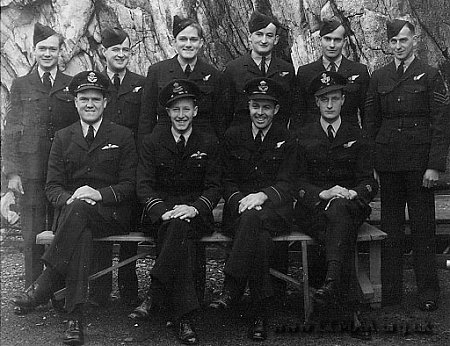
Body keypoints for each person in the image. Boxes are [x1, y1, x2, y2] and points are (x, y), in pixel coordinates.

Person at [10, 70, 138, 345]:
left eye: (95, 98)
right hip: (74, 215)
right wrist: (70, 200)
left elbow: (130, 185)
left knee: (80, 214)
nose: (89, 104)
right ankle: (74, 319)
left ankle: (45, 284)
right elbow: (52, 186)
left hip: (111, 214)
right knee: (81, 229)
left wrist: (98, 194)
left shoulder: (123, 135)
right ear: (75, 102)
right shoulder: (63, 136)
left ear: (105, 102)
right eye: (83, 99)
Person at [365, 19, 450, 311]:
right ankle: (391, 292)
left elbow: (441, 122)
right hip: (388, 163)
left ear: (414, 40)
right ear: (388, 44)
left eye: (404, 40)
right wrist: (373, 163)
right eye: (394, 42)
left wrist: (435, 165)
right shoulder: (379, 77)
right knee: (390, 228)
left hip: (419, 163)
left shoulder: (430, 74)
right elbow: (372, 123)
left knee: (423, 227)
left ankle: (428, 293)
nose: (399, 46)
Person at [133, 79, 222, 344]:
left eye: (186, 109)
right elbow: (143, 185)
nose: (181, 115)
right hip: (160, 215)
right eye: (175, 110)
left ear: (195, 111)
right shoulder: (152, 141)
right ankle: (184, 318)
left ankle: (155, 291)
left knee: (181, 226)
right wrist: (163, 211)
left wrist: (194, 209)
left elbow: (214, 186)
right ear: (167, 113)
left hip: (195, 215)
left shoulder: (208, 141)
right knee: (177, 228)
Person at [210, 77, 296, 341]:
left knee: (254, 220)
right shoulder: (233, 135)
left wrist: (261, 196)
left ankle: (232, 287)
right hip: (239, 211)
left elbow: (288, 182)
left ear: (276, 110)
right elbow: (226, 180)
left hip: (274, 212)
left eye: (266, 107)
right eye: (256, 106)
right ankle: (259, 313)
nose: (260, 112)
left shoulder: (286, 137)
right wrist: (242, 200)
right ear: (248, 106)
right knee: (257, 237)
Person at [294, 71, 378, 336]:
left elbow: (369, 182)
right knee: (339, 229)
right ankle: (351, 313)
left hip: (350, 205)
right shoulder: (303, 134)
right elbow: (296, 181)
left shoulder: (357, 133)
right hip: (316, 208)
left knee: (340, 212)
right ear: (316, 103)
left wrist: (352, 193)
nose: (329, 105)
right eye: (324, 100)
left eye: (334, 99)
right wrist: (323, 194)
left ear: (343, 100)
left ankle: (328, 286)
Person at [3, 23, 79, 287]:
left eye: (52, 49)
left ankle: (57, 289)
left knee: (61, 230)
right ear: (34, 51)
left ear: (61, 52)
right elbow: (11, 129)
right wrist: (12, 172)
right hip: (31, 170)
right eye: (42, 48)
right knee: (32, 233)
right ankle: (31, 288)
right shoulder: (22, 84)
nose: (47, 53)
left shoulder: (71, 85)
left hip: (63, 170)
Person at [93, 26, 146, 307]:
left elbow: (147, 125)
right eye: (116, 50)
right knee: (101, 229)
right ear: (104, 52)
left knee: (128, 231)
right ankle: (100, 292)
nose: (122, 54)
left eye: (126, 49)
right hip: (101, 167)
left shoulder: (141, 82)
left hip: (131, 166)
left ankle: (128, 290)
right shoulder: (96, 84)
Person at [139, 15, 223, 139]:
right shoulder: (157, 71)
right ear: (174, 42)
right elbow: (147, 117)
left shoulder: (212, 73)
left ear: (201, 43)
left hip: (203, 141)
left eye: (193, 39)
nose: (188, 44)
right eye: (183, 39)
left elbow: (219, 118)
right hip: (165, 140)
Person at [222, 11, 295, 130]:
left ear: (276, 39)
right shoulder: (233, 69)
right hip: (241, 140)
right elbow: (223, 113)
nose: (264, 40)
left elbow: (291, 109)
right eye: (259, 34)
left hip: (276, 139)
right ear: (250, 37)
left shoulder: (286, 70)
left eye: (269, 36)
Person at [293, 19, 370, 130]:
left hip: (349, 137)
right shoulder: (305, 72)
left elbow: (367, 114)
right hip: (314, 139)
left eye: (337, 40)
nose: (332, 45)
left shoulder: (359, 71)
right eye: (327, 39)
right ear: (320, 40)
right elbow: (298, 114)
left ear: (344, 41)